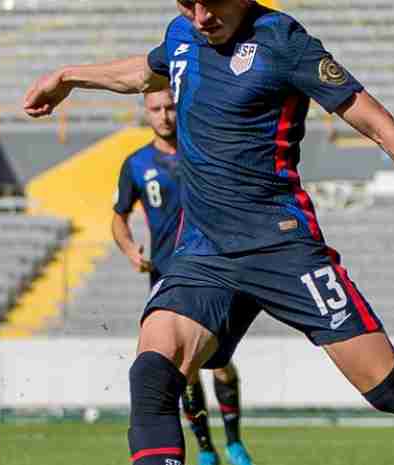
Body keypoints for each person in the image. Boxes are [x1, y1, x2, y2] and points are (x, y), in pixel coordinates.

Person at [24, 1, 394, 464]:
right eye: (188, 4)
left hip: (280, 247)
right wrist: (69, 77)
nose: (200, 17)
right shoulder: (182, 33)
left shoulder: (283, 41)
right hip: (205, 252)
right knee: (153, 373)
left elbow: (376, 123)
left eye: (212, 5)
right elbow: (143, 72)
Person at [112, 89, 253, 465]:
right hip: (167, 276)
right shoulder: (136, 164)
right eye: (155, 109)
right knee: (184, 372)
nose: (164, 115)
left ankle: (234, 443)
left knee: (220, 364)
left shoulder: (204, 151)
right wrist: (130, 249)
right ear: (146, 113)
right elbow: (118, 217)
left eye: (170, 107)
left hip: (211, 270)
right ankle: (206, 448)